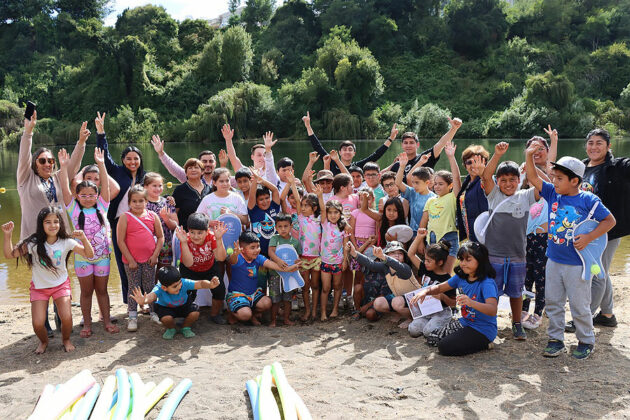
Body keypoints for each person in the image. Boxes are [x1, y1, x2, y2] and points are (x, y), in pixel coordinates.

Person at [525, 146, 616, 359]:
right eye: (553, 177)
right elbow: (531, 176)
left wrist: (588, 237)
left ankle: (586, 340)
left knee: (579, 304)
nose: (554, 181)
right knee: (554, 301)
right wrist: (528, 156)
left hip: (578, 264)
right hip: (554, 260)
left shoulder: (588, 200)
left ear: (574, 181)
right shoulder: (552, 193)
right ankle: (555, 339)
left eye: (559, 178)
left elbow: (609, 221)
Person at [17, 112, 88, 335]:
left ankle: (61, 312)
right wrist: (28, 132)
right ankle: (44, 321)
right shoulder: (25, 179)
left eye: (50, 161)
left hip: (59, 236)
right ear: (34, 164)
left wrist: (81, 142)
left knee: (60, 271)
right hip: (33, 238)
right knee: (39, 275)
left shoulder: (58, 177)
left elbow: (72, 165)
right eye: (42, 161)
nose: (47, 164)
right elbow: (23, 156)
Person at [2, 208, 94, 353]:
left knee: (67, 317)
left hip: (61, 285)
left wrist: (83, 238)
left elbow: (89, 254)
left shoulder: (67, 242)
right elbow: (9, 255)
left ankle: (66, 339)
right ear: (41, 224)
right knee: (38, 323)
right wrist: (7, 236)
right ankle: (44, 342)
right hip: (39, 287)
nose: (53, 225)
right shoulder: (33, 243)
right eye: (48, 222)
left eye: (56, 222)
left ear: (61, 223)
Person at [476, 142, 537, 340]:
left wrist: (530, 160)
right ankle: (487, 323)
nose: (508, 184)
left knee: (516, 292)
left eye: (512, 179)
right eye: (503, 180)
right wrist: (497, 154)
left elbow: (540, 185)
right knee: (490, 292)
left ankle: (517, 323)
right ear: (498, 181)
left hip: (518, 256)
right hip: (493, 256)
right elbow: (485, 176)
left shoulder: (525, 196)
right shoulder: (493, 196)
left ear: (519, 180)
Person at [58, 147, 118, 337]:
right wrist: (63, 167)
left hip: (103, 257)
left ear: (97, 195)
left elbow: (107, 187)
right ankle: (87, 324)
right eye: (83, 195)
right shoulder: (73, 210)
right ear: (77, 196)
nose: (87, 198)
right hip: (82, 258)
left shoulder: (102, 205)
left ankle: (106, 321)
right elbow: (64, 189)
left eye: (91, 195)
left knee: (102, 290)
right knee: (85, 292)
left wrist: (101, 164)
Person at [411, 242, 498, 356]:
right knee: (432, 338)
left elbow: (492, 310)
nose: (463, 263)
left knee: (444, 347)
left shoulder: (487, 283)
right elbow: (440, 287)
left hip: (482, 329)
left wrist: (471, 303)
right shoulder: (461, 277)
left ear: (480, 260)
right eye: (461, 260)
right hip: (466, 322)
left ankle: (486, 344)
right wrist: (426, 291)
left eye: (468, 260)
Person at [580, 127, 630, 328]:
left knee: (596, 272)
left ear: (609, 146)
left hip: (609, 229)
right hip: (587, 231)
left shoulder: (617, 167)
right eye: (590, 143)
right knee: (603, 270)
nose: (594, 147)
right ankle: (607, 314)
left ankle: (584, 318)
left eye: (599, 143)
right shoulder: (582, 167)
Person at [96, 112, 146, 304]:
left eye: (136, 159)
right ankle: (129, 300)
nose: (132, 162)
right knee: (124, 262)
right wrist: (101, 133)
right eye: (128, 158)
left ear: (140, 160)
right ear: (123, 160)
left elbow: (154, 194)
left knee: (142, 262)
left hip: (141, 224)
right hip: (119, 224)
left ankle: (145, 298)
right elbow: (105, 157)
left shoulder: (144, 177)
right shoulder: (116, 172)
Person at [520, 128, 557, 330]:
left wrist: (532, 166)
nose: (536, 151)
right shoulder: (522, 171)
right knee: (526, 274)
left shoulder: (554, 172)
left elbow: (549, 183)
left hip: (545, 235)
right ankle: (524, 309)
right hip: (526, 234)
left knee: (542, 275)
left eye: (541, 148)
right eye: (532, 148)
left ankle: (538, 312)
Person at [116, 185, 165, 332]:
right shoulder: (125, 217)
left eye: (141, 201)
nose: (137, 204)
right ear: (129, 202)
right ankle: (132, 316)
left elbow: (161, 237)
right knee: (134, 287)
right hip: (132, 262)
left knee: (150, 285)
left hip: (150, 260)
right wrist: (130, 259)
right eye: (134, 201)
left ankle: (153, 311)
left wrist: (155, 255)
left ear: (146, 201)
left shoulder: (152, 216)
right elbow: (120, 241)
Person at [129, 266, 221, 339]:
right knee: (166, 318)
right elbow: (152, 296)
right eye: (175, 286)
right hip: (166, 308)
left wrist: (210, 284)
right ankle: (171, 329)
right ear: (164, 287)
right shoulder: (159, 288)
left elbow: (200, 283)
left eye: (179, 283)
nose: (179, 287)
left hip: (184, 305)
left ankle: (185, 327)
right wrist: (144, 300)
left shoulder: (183, 283)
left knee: (195, 313)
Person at [226, 232, 297, 325]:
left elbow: (273, 265)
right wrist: (235, 254)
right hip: (237, 295)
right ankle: (232, 312)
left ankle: (252, 316)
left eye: (258, 246)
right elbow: (232, 260)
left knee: (267, 303)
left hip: (253, 294)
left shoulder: (258, 258)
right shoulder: (238, 258)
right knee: (245, 314)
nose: (257, 250)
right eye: (252, 247)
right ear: (242, 249)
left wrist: (289, 269)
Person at [303, 111, 397, 175]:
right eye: (344, 150)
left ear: (354, 153)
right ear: (339, 152)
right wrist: (308, 126)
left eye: (350, 150)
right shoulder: (331, 162)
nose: (347, 152)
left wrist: (391, 138)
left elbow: (376, 155)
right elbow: (317, 147)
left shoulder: (358, 166)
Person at [174, 214, 228, 324]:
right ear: (188, 230)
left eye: (200, 233)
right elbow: (189, 263)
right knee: (187, 292)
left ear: (207, 231)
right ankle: (185, 314)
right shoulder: (185, 239)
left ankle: (215, 314)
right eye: (192, 232)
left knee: (219, 289)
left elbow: (221, 258)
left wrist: (219, 239)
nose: (196, 236)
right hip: (190, 269)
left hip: (209, 267)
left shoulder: (212, 237)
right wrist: (184, 243)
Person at [417, 142, 461, 273]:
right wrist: (420, 241)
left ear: (450, 185)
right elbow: (423, 222)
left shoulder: (453, 196)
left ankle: (449, 293)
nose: (437, 187)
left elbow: (457, 178)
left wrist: (451, 157)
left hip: (449, 237)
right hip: (432, 239)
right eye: (435, 184)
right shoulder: (430, 200)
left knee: (446, 274)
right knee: (433, 273)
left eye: (441, 184)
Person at [355, 242, 420, 327]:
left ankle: (411, 318)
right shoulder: (386, 267)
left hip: (416, 300)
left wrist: (384, 257)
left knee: (396, 302)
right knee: (378, 303)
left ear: (404, 257)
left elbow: (395, 264)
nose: (397, 255)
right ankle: (400, 313)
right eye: (393, 253)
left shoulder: (404, 268)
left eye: (400, 253)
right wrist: (354, 253)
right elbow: (371, 264)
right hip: (401, 298)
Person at [406, 235, 455, 339]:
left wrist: (442, 296)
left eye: (429, 261)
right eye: (425, 259)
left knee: (429, 333)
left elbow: (454, 303)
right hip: (426, 310)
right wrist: (419, 237)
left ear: (440, 262)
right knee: (413, 330)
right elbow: (410, 254)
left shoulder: (448, 279)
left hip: (441, 313)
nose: (426, 263)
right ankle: (429, 324)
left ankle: (447, 324)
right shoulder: (425, 268)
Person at [387, 117, 462, 182]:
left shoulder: (425, 157)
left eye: (411, 143)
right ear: (402, 145)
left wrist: (453, 129)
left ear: (417, 145)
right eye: (406, 143)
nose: (408, 145)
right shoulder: (397, 165)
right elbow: (382, 177)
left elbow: (441, 144)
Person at [315, 184, 350, 321]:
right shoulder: (325, 223)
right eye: (330, 213)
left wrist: (345, 261)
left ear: (340, 214)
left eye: (336, 212)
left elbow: (345, 245)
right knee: (325, 288)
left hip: (338, 262)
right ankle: (323, 312)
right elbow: (322, 209)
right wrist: (319, 196)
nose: (333, 215)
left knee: (337, 286)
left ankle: (335, 309)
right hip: (325, 261)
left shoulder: (343, 228)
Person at [289, 174, 322, 322]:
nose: (302, 208)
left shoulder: (319, 218)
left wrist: (320, 196)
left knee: (315, 285)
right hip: (303, 257)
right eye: (301, 206)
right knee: (305, 286)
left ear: (314, 208)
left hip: (316, 258)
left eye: (306, 206)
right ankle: (307, 311)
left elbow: (323, 209)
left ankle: (315, 310)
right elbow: (296, 199)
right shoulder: (301, 218)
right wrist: (292, 183)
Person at [267, 213, 302, 327]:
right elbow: (270, 252)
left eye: (286, 226)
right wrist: (278, 261)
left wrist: (297, 263)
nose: (283, 229)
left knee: (288, 298)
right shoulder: (274, 239)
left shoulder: (295, 242)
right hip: (275, 274)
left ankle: (286, 319)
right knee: (275, 298)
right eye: (280, 226)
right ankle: (273, 320)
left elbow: (298, 258)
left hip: (290, 275)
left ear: (291, 226)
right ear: (276, 227)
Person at [349, 187, 379, 310]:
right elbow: (351, 232)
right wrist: (356, 247)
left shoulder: (375, 214)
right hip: (357, 246)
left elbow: (376, 234)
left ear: (373, 199)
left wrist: (370, 245)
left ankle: (367, 301)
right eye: (361, 199)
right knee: (358, 276)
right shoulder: (355, 213)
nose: (364, 202)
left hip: (370, 248)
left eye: (368, 199)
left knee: (368, 276)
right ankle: (356, 305)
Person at [150, 134, 216, 185]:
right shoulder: (190, 176)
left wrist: (227, 140)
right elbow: (174, 168)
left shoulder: (222, 178)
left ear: (215, 163)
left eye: (211, 161)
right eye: (204, 161)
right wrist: (161, 153)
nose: (207, 164)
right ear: (199, 164)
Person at [455, 145, 490, 242]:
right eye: (469, 162)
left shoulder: (487, 181)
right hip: (470, 233)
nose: (474, 165)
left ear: (484, 162)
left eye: (477, 161)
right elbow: (456, 180)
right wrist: (451, 157)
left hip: (485, 235)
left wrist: (482, 173)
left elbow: (486, 183)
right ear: (465, 165)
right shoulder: (467, 182)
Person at [144, 172, 178, 272]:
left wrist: (166, 219)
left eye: (160, 185)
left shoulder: (167, 203)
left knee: (164, 272)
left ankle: (163, 288)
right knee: (149, 272)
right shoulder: (142, 203)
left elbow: (175, 226)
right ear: (145, 187)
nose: (158, 188)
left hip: (166, 244)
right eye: (154, 186)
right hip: (147, 244)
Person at [395, 154, 435, 234]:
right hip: (413, 232)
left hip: (428, 234)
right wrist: (402, 167)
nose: (414, 185)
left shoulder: (434, 197)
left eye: (417, 183)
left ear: (427, 182)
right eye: (413, 182)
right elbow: (398, 183)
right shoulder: (412, 192)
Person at [247, 169, 281, 257]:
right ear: (256, 201)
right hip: (258, 253)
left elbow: (275, 190)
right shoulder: (253, 210)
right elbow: (252, 195)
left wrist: (262, 181)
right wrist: (255, 180)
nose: (265, 201)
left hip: (276, 251)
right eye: (261, 199)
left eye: (267, 198)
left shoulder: (274, 207)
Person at [171, 159, 212, 230]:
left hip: (207, 231)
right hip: (186, 232)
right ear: (186, 173)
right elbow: (174, 212)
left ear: (202, 171)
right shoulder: (180, 190)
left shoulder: (210, 189)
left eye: (196, 167)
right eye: (190, 168)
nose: (193, 170)